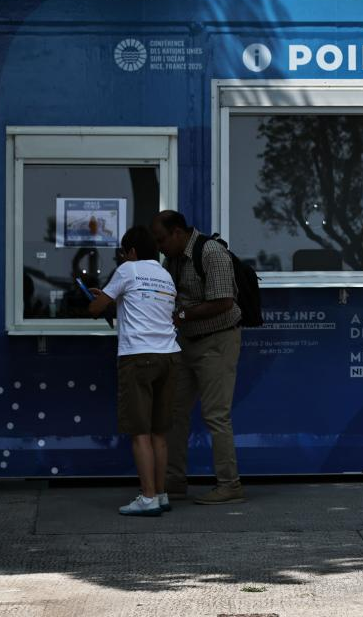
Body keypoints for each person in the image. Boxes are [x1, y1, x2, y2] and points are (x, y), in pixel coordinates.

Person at [152, 210, 245, 505]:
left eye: (162, 240)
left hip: (217, 341)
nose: (159, 247)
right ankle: (174, 481)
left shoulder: (211, 253)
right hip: (186, 342)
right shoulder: (173, 259)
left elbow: (223, 302)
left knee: (216, 415)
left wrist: (182, 315)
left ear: (178, 233)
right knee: (174, 412)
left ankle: (229, 484)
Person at [87, 225, 180, 517]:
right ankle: (161, 494)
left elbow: (95, 309)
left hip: (138, 356)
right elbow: (143, 305)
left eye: (123, 253)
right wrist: (111, 297)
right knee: (159, 433)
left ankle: (147, 498)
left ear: (132, 251)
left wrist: (98, 298)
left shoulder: (128, 270)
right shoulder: (164, 275)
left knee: (140, 432)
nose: (122, 257)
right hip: (169, 355)